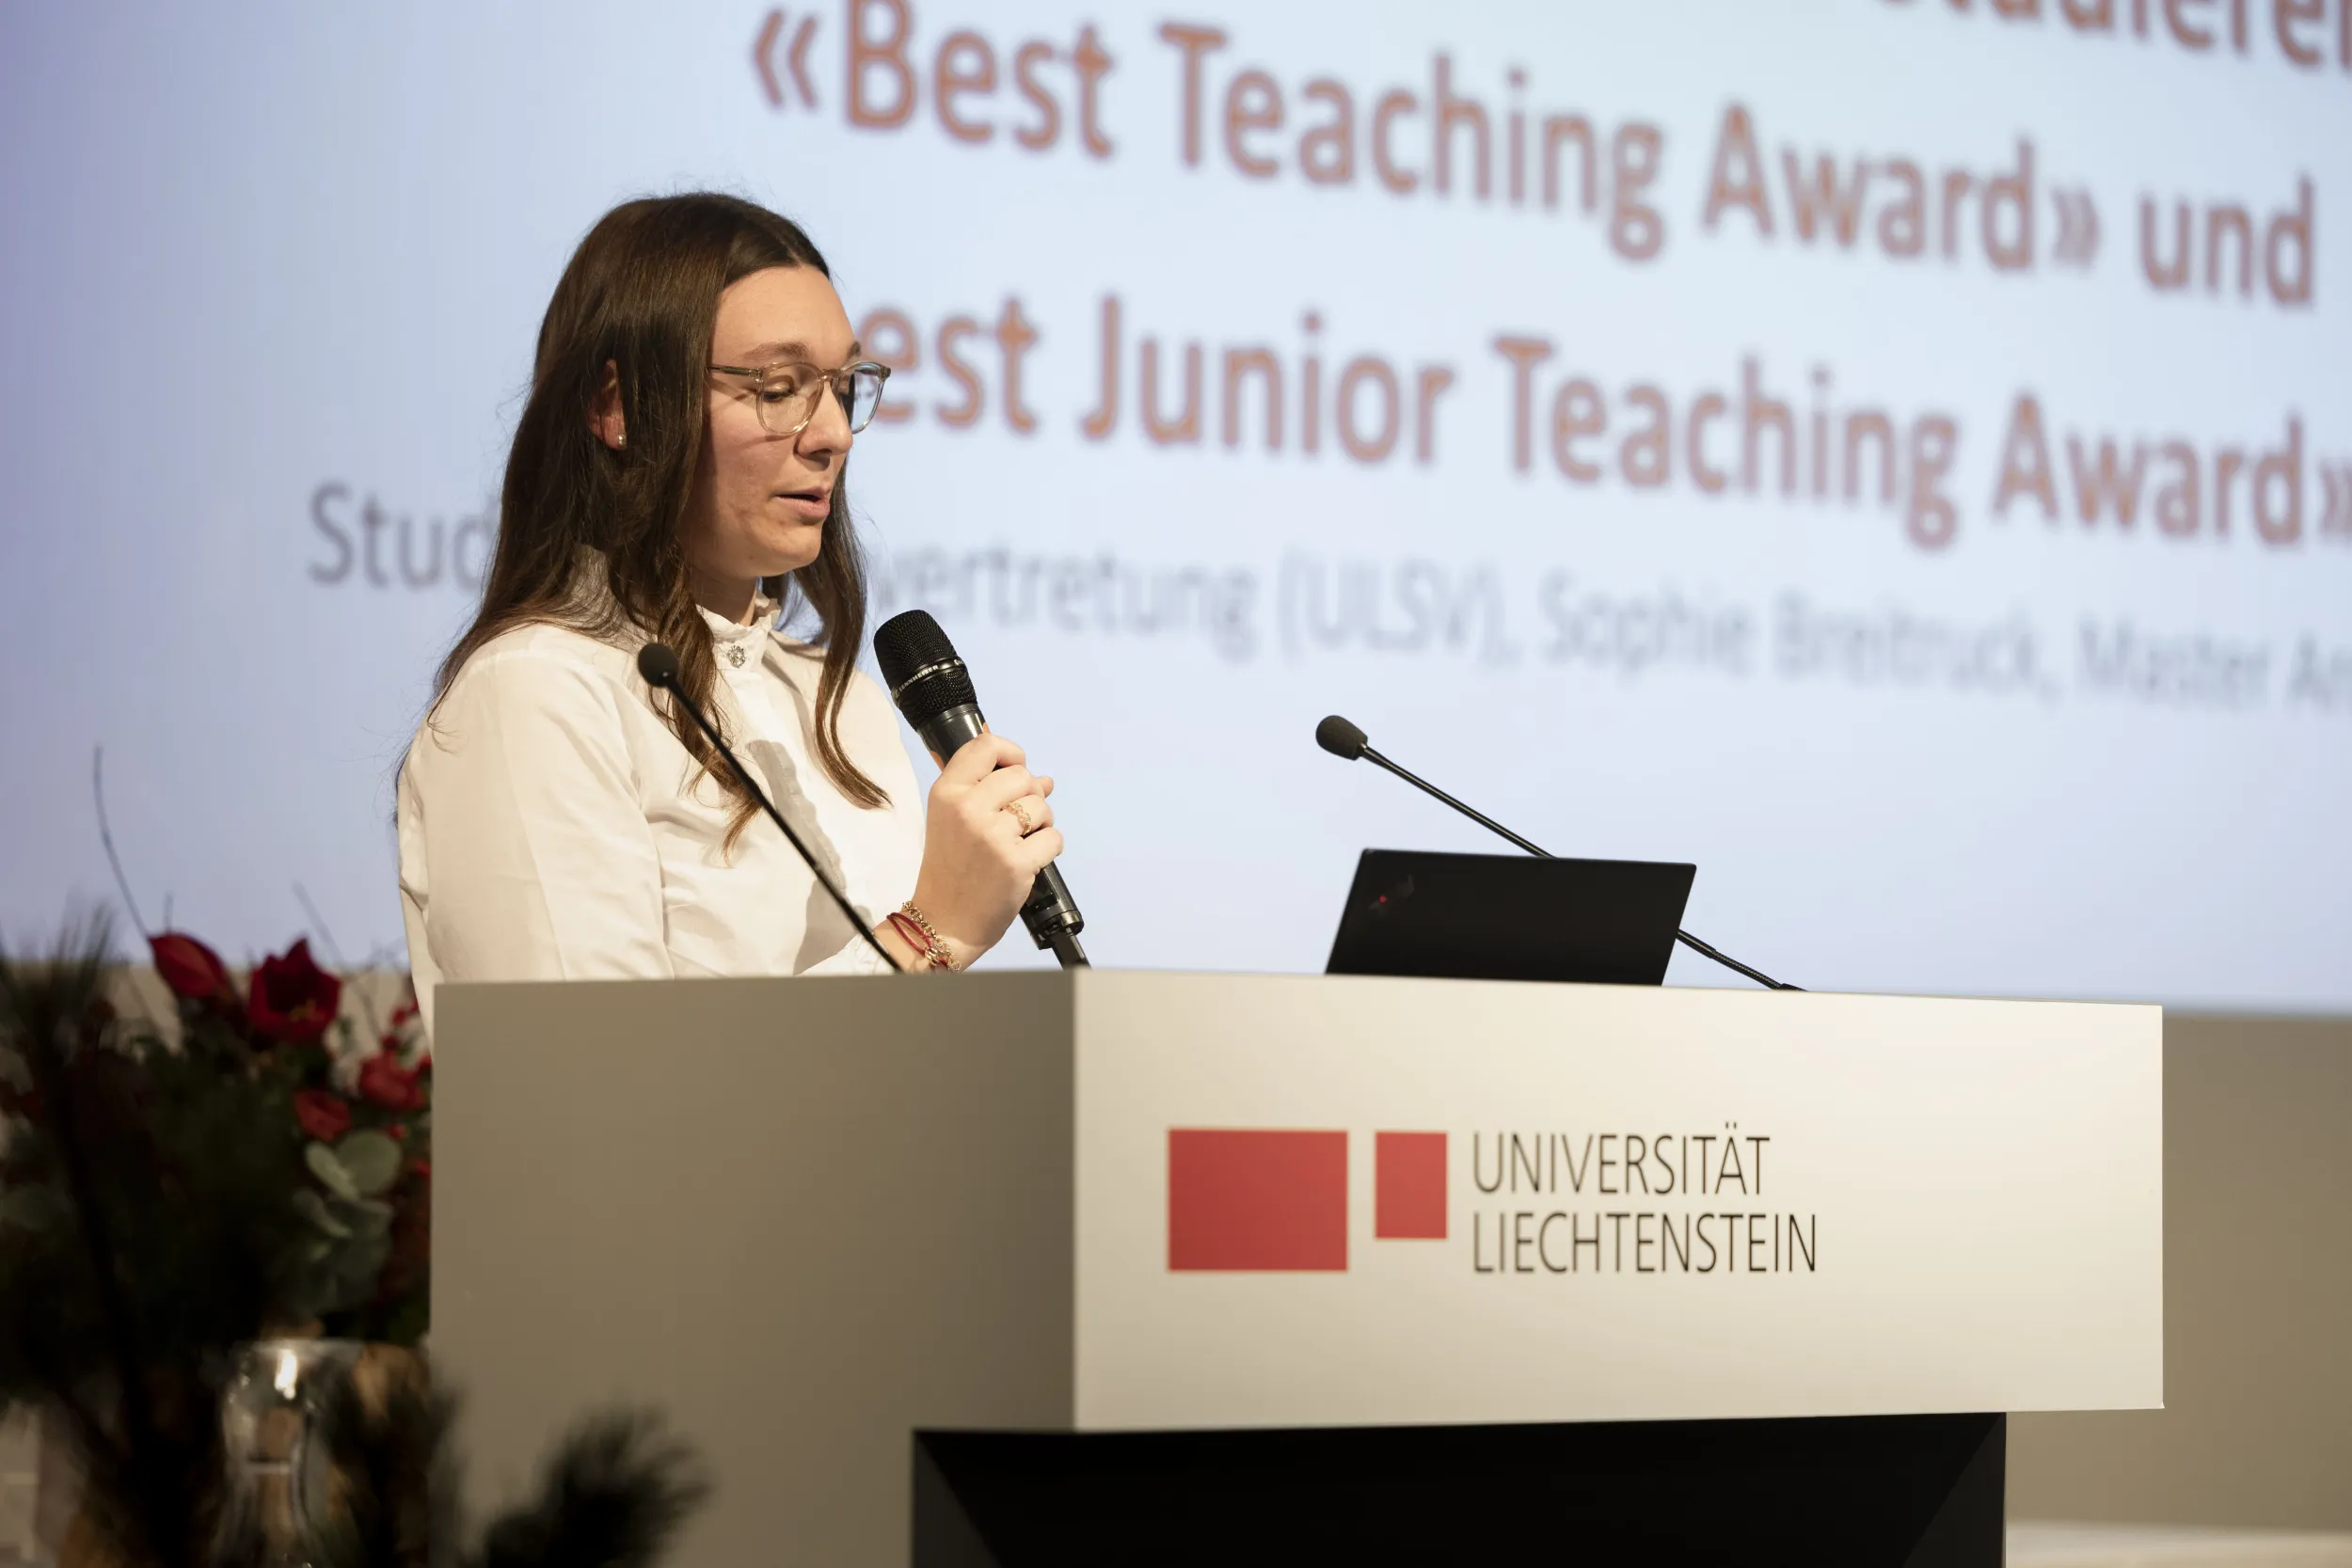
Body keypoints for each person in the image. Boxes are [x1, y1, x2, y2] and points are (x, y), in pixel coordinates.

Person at [396, 193, 1063, 1029]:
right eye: (780, 387)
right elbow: (589, 1081)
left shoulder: (845, 707)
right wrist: (927, 934)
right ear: (616, 406)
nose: (833, 434)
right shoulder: (535, 692)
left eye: (842, 387)